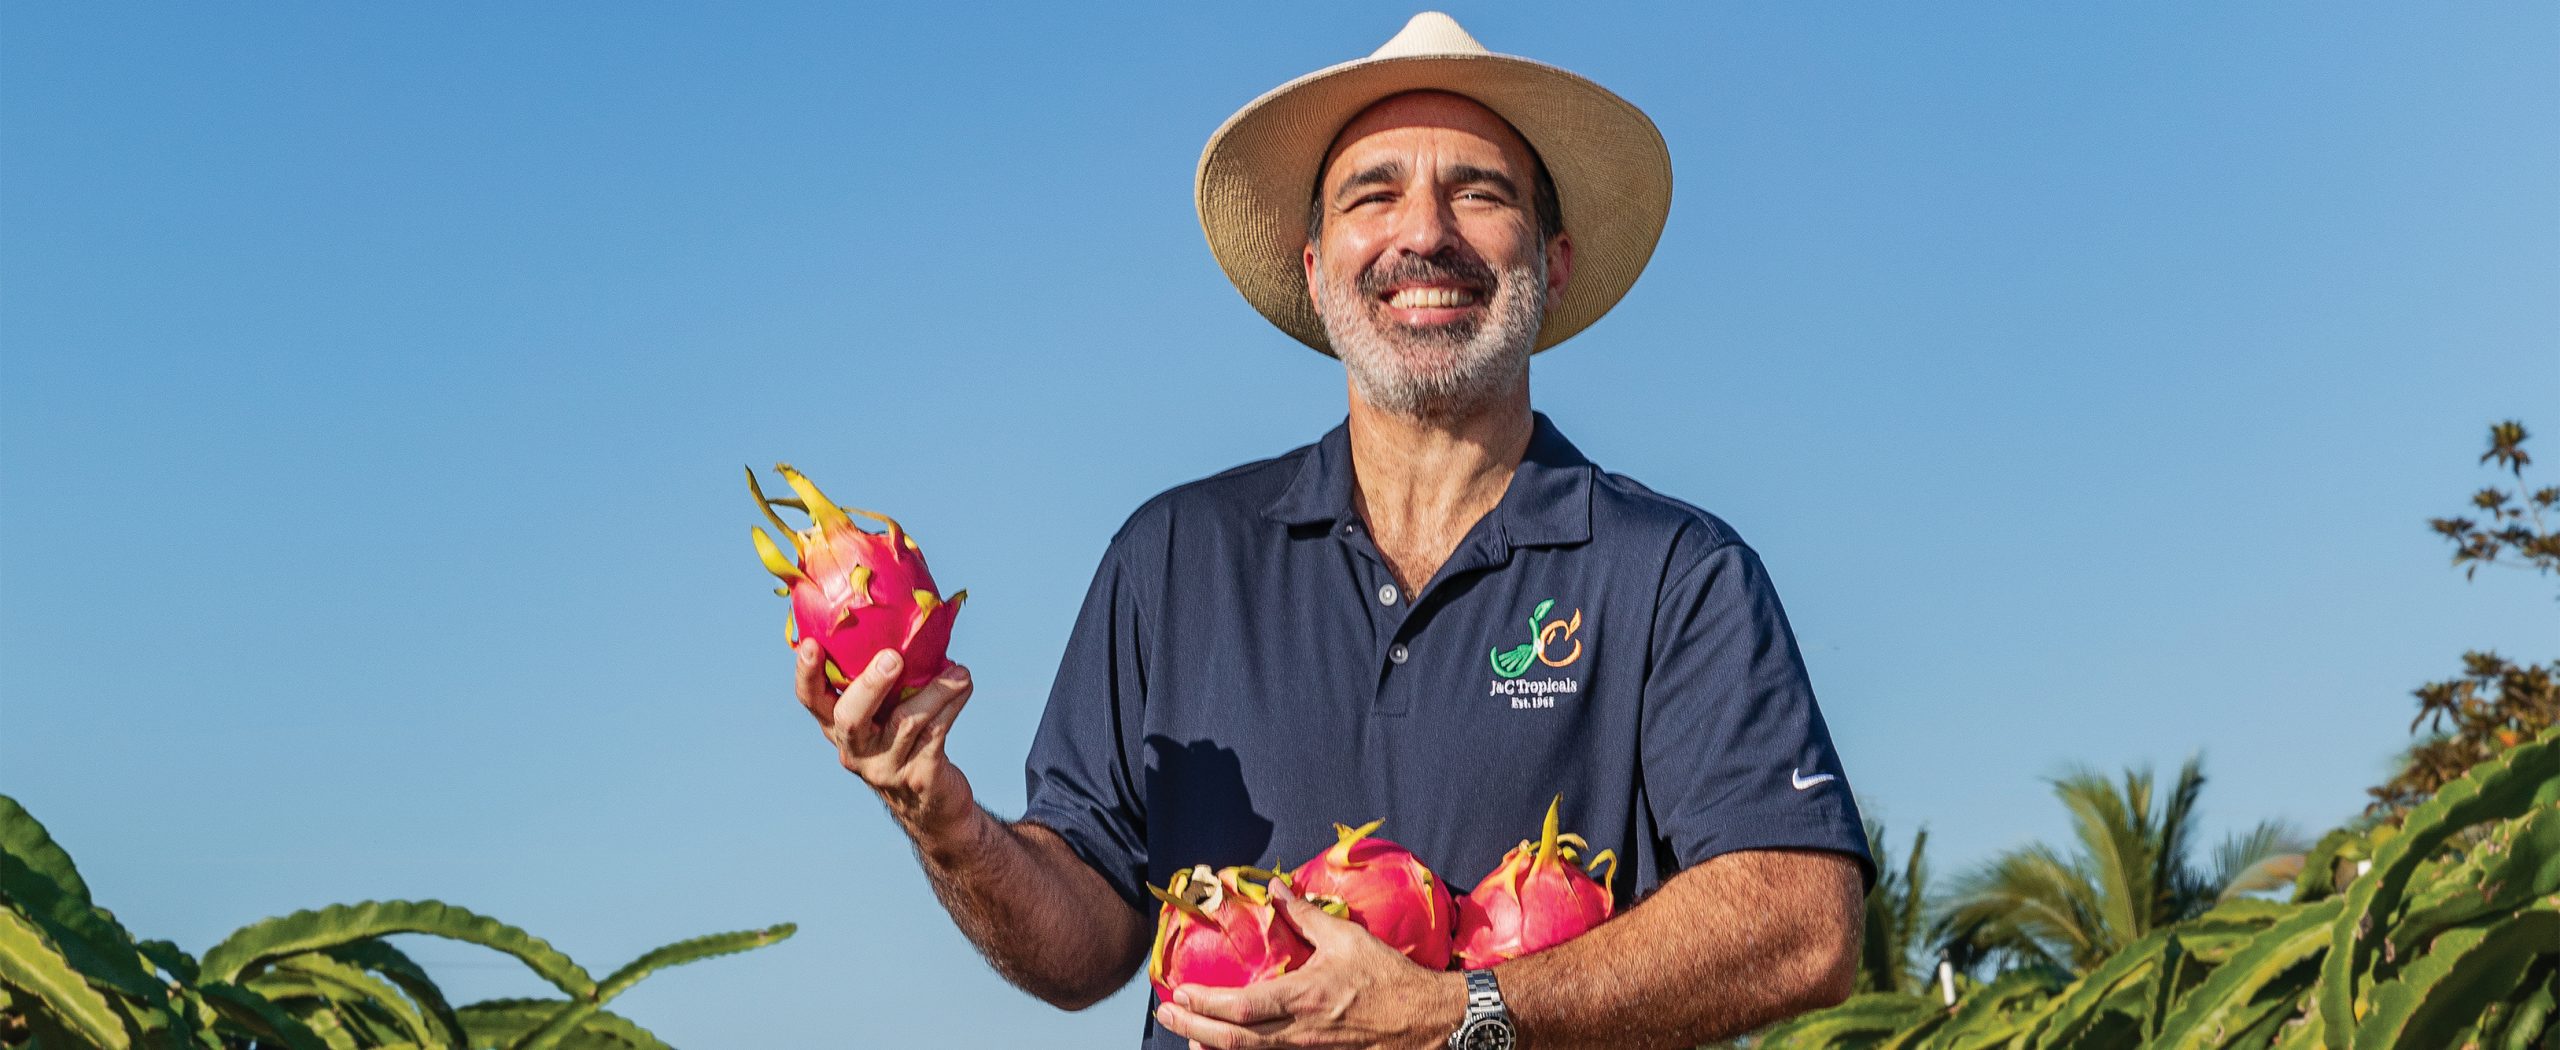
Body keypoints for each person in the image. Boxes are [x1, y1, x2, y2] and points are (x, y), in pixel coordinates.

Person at [793, 13, 1870, 1049]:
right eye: (1373, 193)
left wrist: (1458, 1019)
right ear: (1315, 270)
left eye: (1478, 192)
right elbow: (1084, 948)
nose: (1424, 233)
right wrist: (949, 827)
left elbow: (1799, 922)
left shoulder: (1674, 573)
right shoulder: (1172, 560)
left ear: (1555, 263)